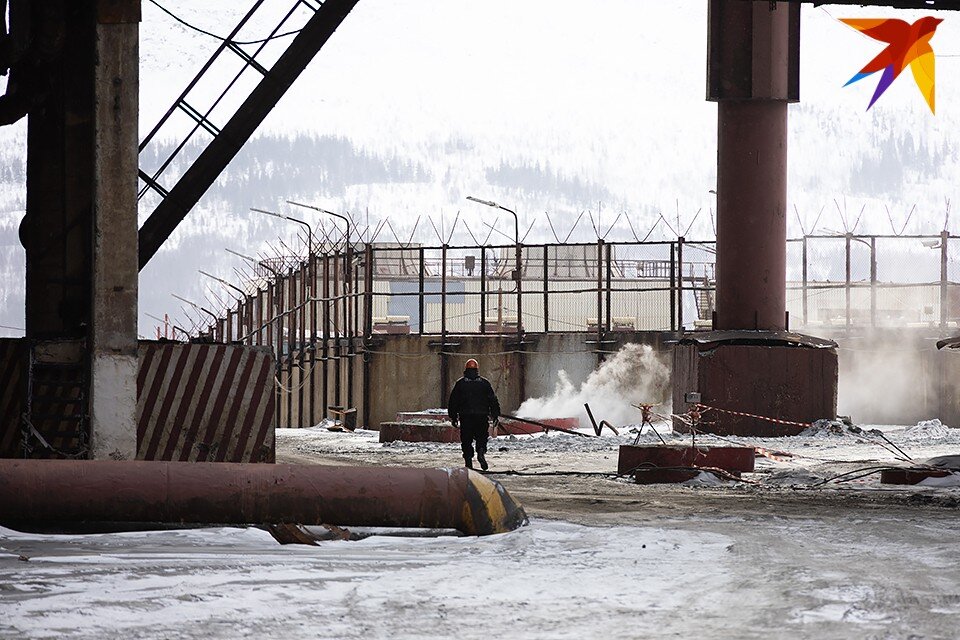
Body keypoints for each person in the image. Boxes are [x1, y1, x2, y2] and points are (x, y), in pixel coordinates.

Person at [447, 358, 500, 471]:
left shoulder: (460, 384)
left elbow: (453, 401)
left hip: (466, 417)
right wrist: (495, 414)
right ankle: (481, 452)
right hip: (481, 416)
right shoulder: (484, 383)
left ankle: (468, 461)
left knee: (466, 439)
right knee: (481, 437)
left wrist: (453, 416)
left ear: (466, 369)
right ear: (477, 369)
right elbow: (492, 400)